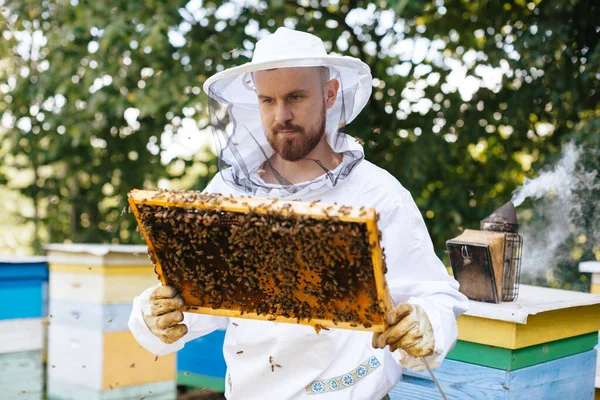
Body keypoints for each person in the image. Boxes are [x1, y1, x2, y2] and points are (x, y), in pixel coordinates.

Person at [129, 27, 468, 399]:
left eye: (296, 97)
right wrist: (153, 317)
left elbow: (435, 294)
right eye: (267, 100)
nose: (281, 115)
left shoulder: (378, 191)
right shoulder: (228, 192)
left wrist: (427, 323)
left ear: (330, 93)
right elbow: (191, 303)